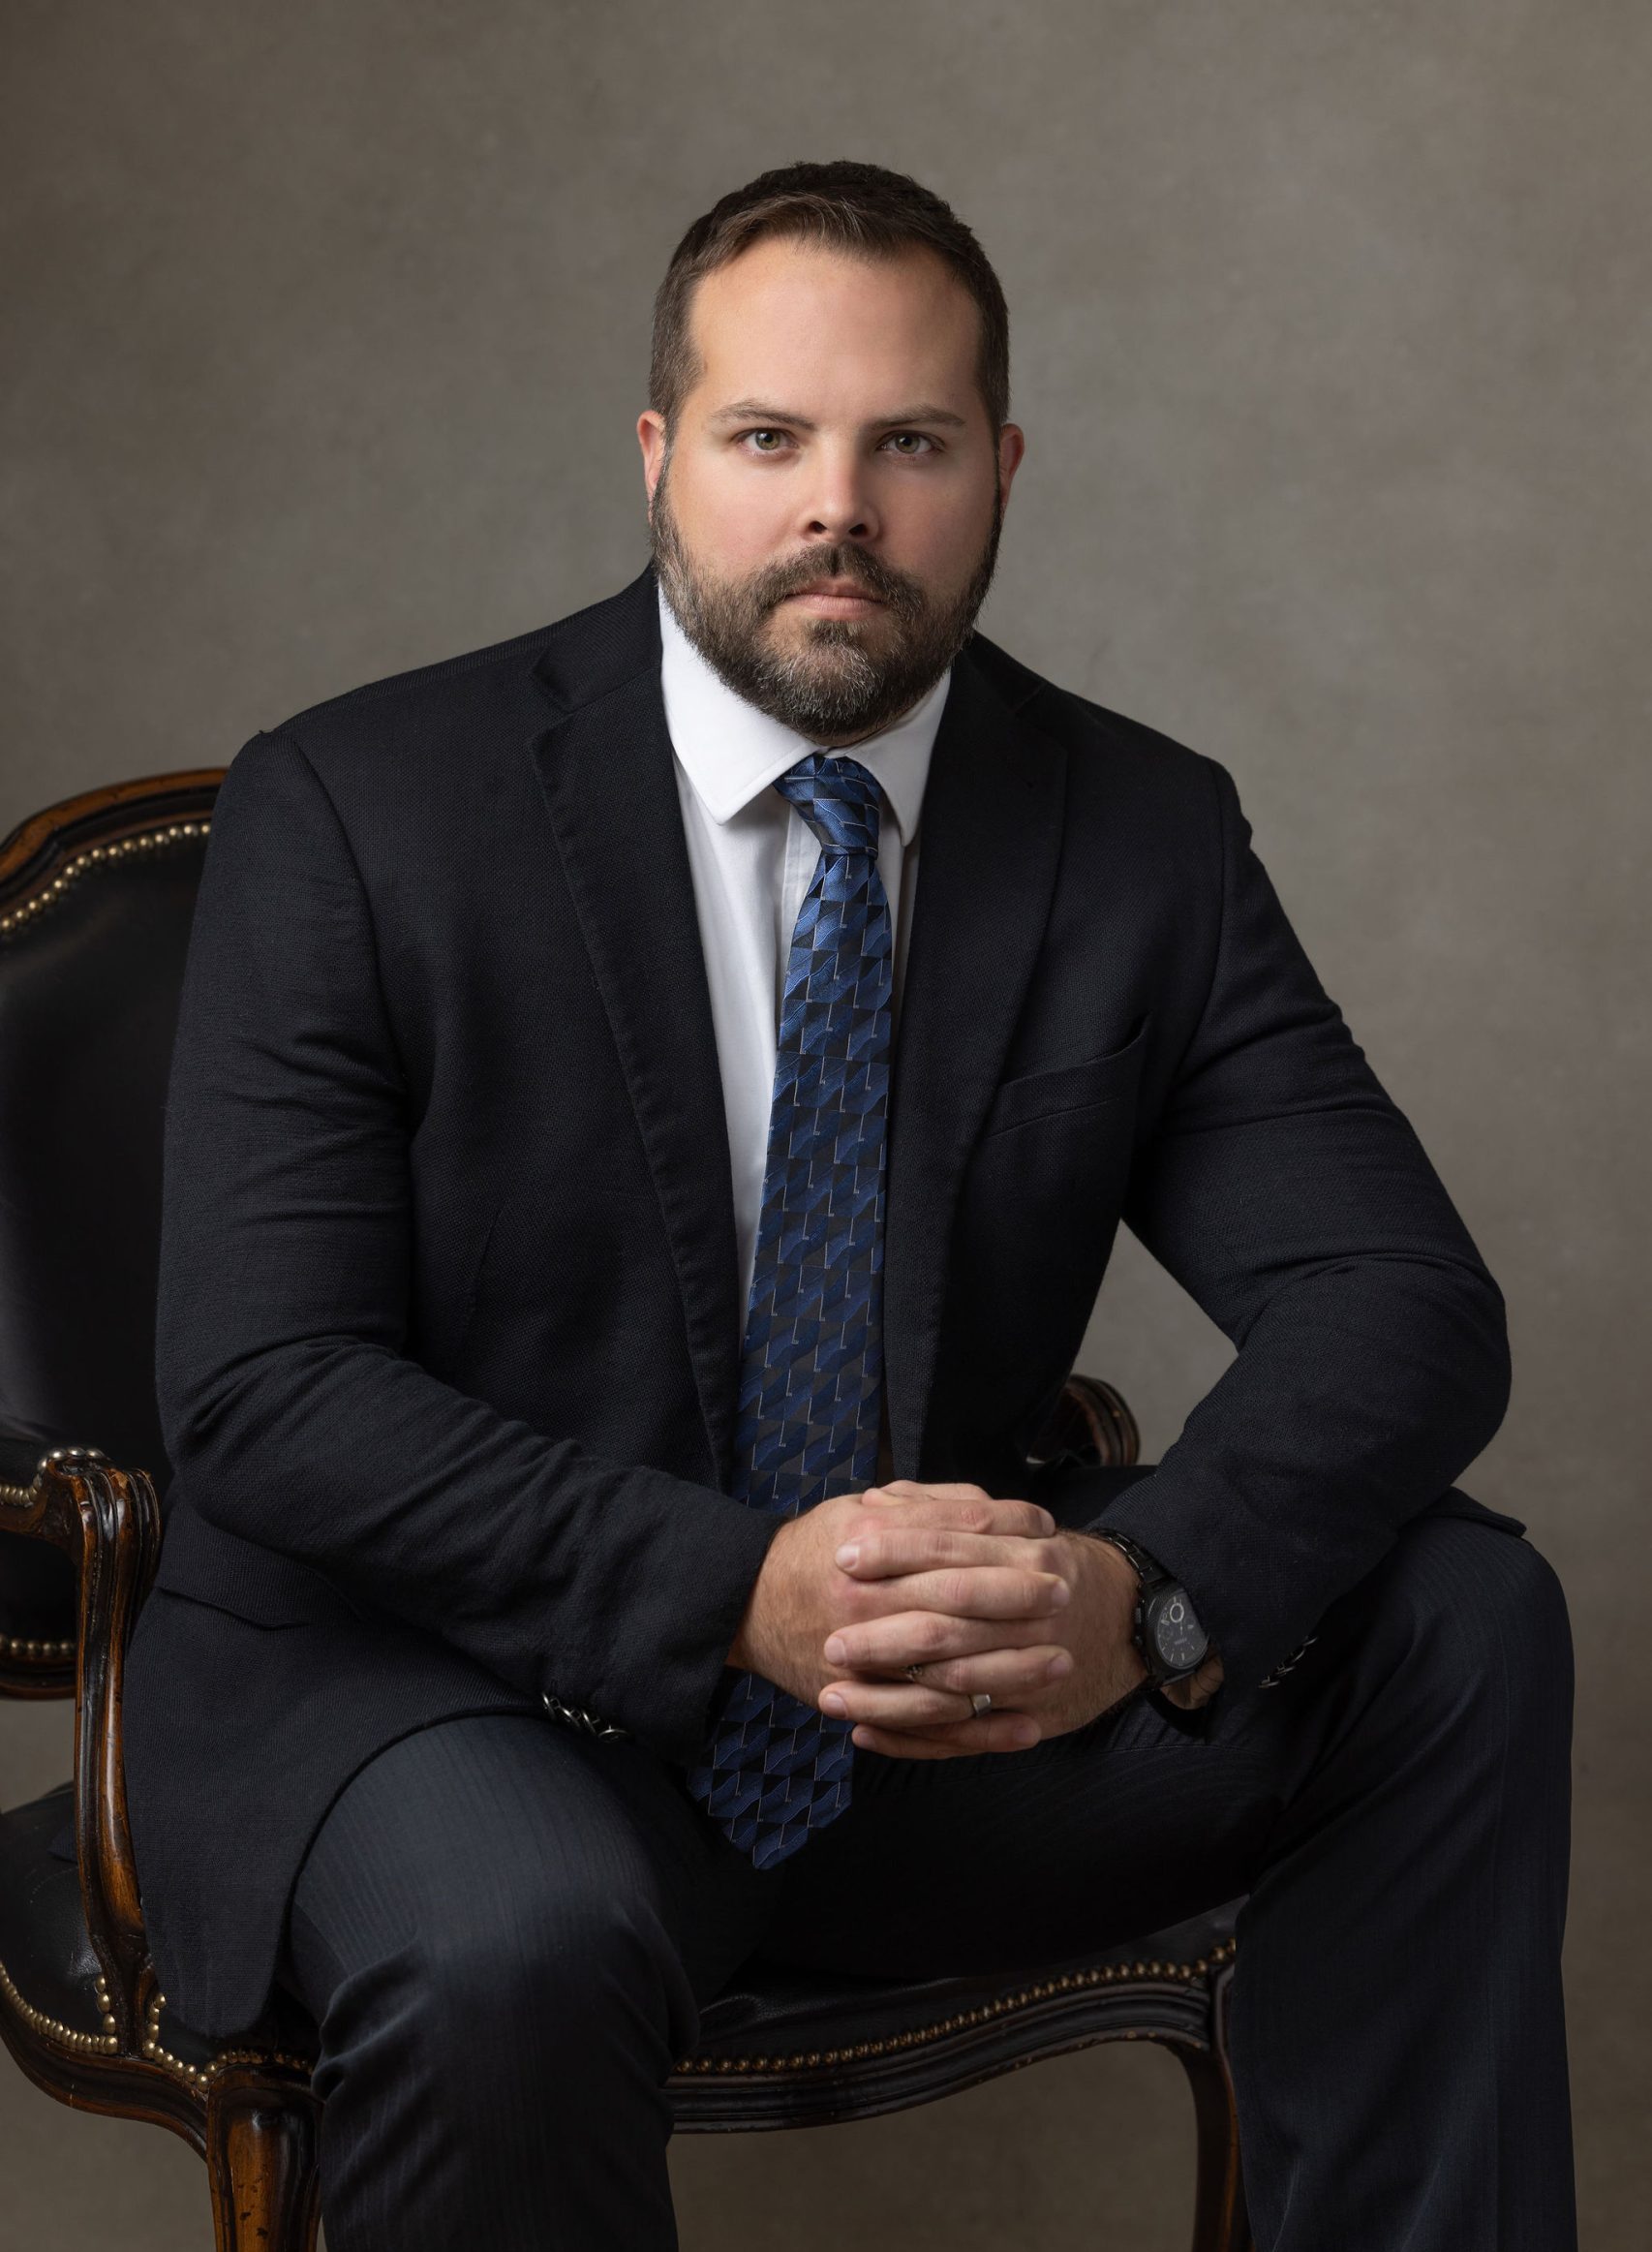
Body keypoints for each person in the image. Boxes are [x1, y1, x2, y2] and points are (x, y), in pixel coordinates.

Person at [120, 159, 1576, 2250]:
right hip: (446, 1689)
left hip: (914, 1714)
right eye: (768, 438)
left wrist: (1133, 1597)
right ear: (659, 458)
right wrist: (736, 1589)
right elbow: (264, 1391)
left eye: (905, 442)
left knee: (1457, 1618)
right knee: (515, 1935)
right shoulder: (358, 805)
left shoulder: (1134, 828)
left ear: (997, 466)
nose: (839, 508)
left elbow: (1402, 1300)